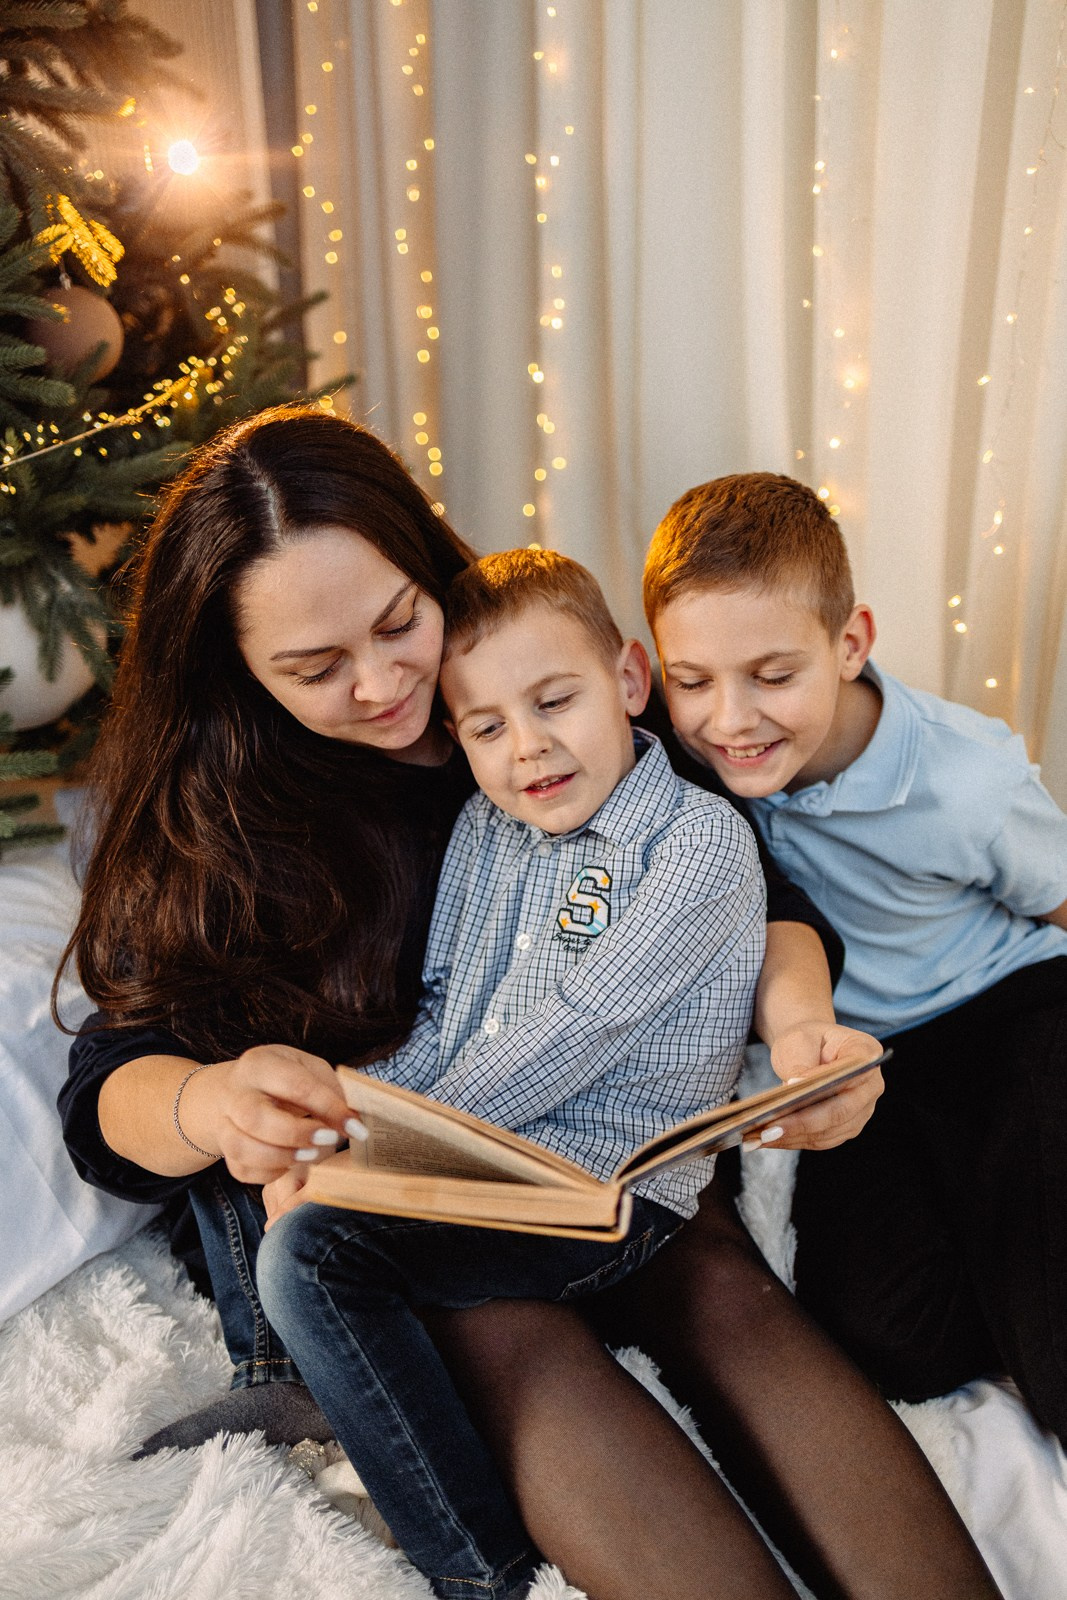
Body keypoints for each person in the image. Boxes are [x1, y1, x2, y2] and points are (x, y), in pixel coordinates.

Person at [56, 408, 1000, 1600]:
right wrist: (210, 1103)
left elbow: (751, 886)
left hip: (617, 1152)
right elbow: (110, 1085)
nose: (384, 679)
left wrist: (801, 1025)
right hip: (423, 1182)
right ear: (236, 674)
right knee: (501, 1326)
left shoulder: (532, 669)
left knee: (716, 1284)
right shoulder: (219, 828)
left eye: (401, 620)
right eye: (313, 667)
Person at [256, 545, 770, 1599]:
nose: (526, 747)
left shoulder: (695, 843)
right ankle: (322, 1394)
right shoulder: (489, 829)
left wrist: (369, 1136)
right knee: (276, 1157)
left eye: (553, 702)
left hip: (605, 1197)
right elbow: (445, 1005)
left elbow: (579, 1025)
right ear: (457, 739)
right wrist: (347, 1124)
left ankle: (479, 1571)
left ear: (628, 681)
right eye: (485, 727)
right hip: (490, 1166)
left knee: (311, 1256)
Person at [644, 468, 1067, 1451]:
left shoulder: (967, 779)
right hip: (853, 1048)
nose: (729, 721)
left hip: (1003, 1007)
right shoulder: (679, 765)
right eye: (692, 679)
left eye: (772, 674)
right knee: (893, 1345)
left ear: (849, 644)